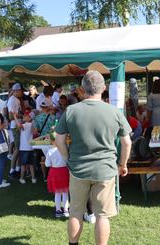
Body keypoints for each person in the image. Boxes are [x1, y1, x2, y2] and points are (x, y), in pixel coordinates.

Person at [55, 70, 132, 245]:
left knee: (75, 212)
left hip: (78, 169)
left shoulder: (71, 110)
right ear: (104, 88)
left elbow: (59, 140)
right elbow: (127, 142)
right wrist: (123, 164)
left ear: (82, 88)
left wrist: (68, 160)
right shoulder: (114, 111)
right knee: (102, 216)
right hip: (105, 170)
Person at [45, 133, 70, 218]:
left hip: (54, 172)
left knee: (57, 193)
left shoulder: (50, 151)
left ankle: (58, 210)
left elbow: (47, 164)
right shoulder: (65, 149)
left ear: (51, 141)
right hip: (64, 172)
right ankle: (66, 210)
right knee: (65, 193)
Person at [34, 100, 57, 181]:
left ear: (41, 107)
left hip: (42, 140)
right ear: (48, 107)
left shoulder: (37, 118)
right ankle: (52, 176)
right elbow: (56, 129)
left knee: (43, 158)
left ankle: (45, 177)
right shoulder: (54, 117)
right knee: (53, 158)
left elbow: (35, 132)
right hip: (52, 139)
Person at [7, 83, 24, 179]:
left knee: (19, 148)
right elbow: (10, 116)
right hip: (15, 126)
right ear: (16, 91)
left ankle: (17, 169)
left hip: (17, 126)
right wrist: (21, 115)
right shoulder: (12, 100)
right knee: (17, 148)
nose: (22, 93)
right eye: (21, 91)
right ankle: (12, 170)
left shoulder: (16, 100)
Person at [18, 111, 37, 184]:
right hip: (29, 148)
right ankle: (32, 178)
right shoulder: (30, 124)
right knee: (30, 164)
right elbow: (35, 133)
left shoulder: (27, 124)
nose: (24, 117)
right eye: (24, 116)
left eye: (26, 116)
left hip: (24, 148)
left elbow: (20, 126)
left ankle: (22, 178)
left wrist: (15, 117)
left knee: (24, 165)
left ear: (29, 117)